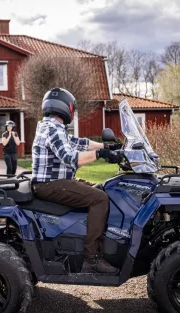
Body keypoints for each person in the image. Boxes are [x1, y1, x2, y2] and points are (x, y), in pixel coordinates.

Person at [31, 87, 124, 274]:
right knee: (100, 198)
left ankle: (98, 241)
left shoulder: (53, 127)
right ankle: (91, 258)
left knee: (102, 188)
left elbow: (79, 143)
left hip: (56, 182)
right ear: (67, 108)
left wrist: (109, 146)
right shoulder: (52, 129)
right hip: (50, 185)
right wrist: (101, 154)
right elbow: (70, 157)